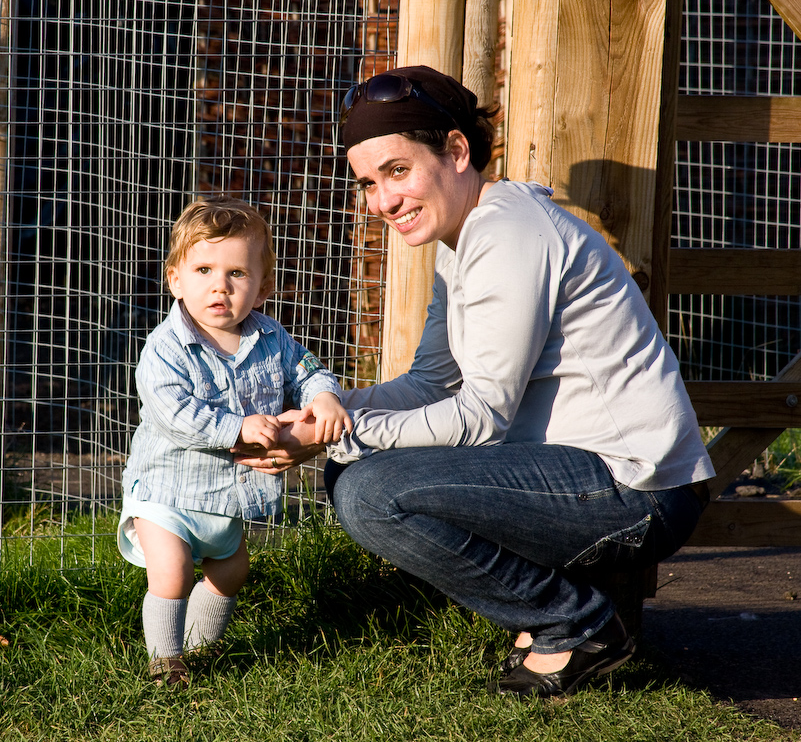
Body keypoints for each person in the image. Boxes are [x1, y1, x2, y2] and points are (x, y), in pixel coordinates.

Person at [236, 65, 715, 699]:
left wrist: (338, 437)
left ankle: (574, 621)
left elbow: (482, 414)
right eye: (369, 183)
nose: (382, 202)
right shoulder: (460, 238)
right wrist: (322, 415)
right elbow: (433, 383)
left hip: (637, 489)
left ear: (457, 150)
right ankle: (560, 615)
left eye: (398, 172)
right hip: (579, 474)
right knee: (353, 476)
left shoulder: (510, 233)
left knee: (369, 492)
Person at [117, 195, 351, 687]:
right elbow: (171, 412)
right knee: (173, 572)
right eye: (203, 269)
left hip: (229, 495)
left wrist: (325, 396)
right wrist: (235, 428)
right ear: (176, 279)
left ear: (262, 288)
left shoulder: (271, 337)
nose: (219, 286)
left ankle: (201, 650)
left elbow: (306, 371)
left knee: (232, 571)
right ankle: (166, 663)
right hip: (166, 489)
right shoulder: (165, 347)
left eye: (237, 274)